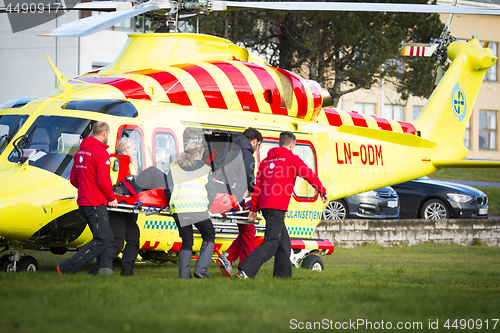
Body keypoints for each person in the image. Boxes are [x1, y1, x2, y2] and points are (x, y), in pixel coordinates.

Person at [237, 131, 328, 279]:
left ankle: (282, 276)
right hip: (277, 206)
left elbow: (257, 187)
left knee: (284, 242)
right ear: (291, 144)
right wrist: (322, 191)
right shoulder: (291, 159)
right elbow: (309, 174)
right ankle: (245, 270)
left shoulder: (265, 162)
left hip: (265, 207)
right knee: (271, 242)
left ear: (280, 143)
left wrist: (254, 209)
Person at [57, 121, 118, 275]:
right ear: (104, 134)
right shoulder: (101, 153)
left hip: (84, 200)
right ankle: (67, 268)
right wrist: (111, 197)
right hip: (95, 202)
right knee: (101, 239)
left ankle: (103, 271)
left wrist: (85, 188)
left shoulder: (79, 153)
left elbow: (73, 179)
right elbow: (103, 181)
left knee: (107, 237)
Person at [215, 128, 262, 277]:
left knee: (244, 231)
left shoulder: (231, 151)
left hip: (228, 196)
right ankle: (245, 268)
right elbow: (248, 178)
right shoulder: (246, 153)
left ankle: (228, 257)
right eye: (258, 145)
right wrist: (257, 191)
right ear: (254, 141)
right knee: (249, 231)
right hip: (241, 198)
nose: (257, 148)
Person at [165, 140, 216, 279]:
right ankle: (201, 270)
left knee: (187, 242)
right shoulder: (205, 168)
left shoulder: (174, 167)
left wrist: (171, 203)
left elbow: (168, 189)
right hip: (198, 209)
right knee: (209, 236)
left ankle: (184, 275)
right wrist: (207, 209)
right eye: (202, 154)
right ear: (197, 153)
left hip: (179, 210)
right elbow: (211, 192)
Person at [108, 137, 140, 277]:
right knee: (117, 242)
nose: (134, 151)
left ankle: (127, 272)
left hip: (127, 207)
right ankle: (101, 268)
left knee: (133, 238)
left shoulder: (129, 164)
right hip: (117, 206)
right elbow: (112, 182)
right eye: (133, 149)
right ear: (126, 149)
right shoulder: (115, 162)